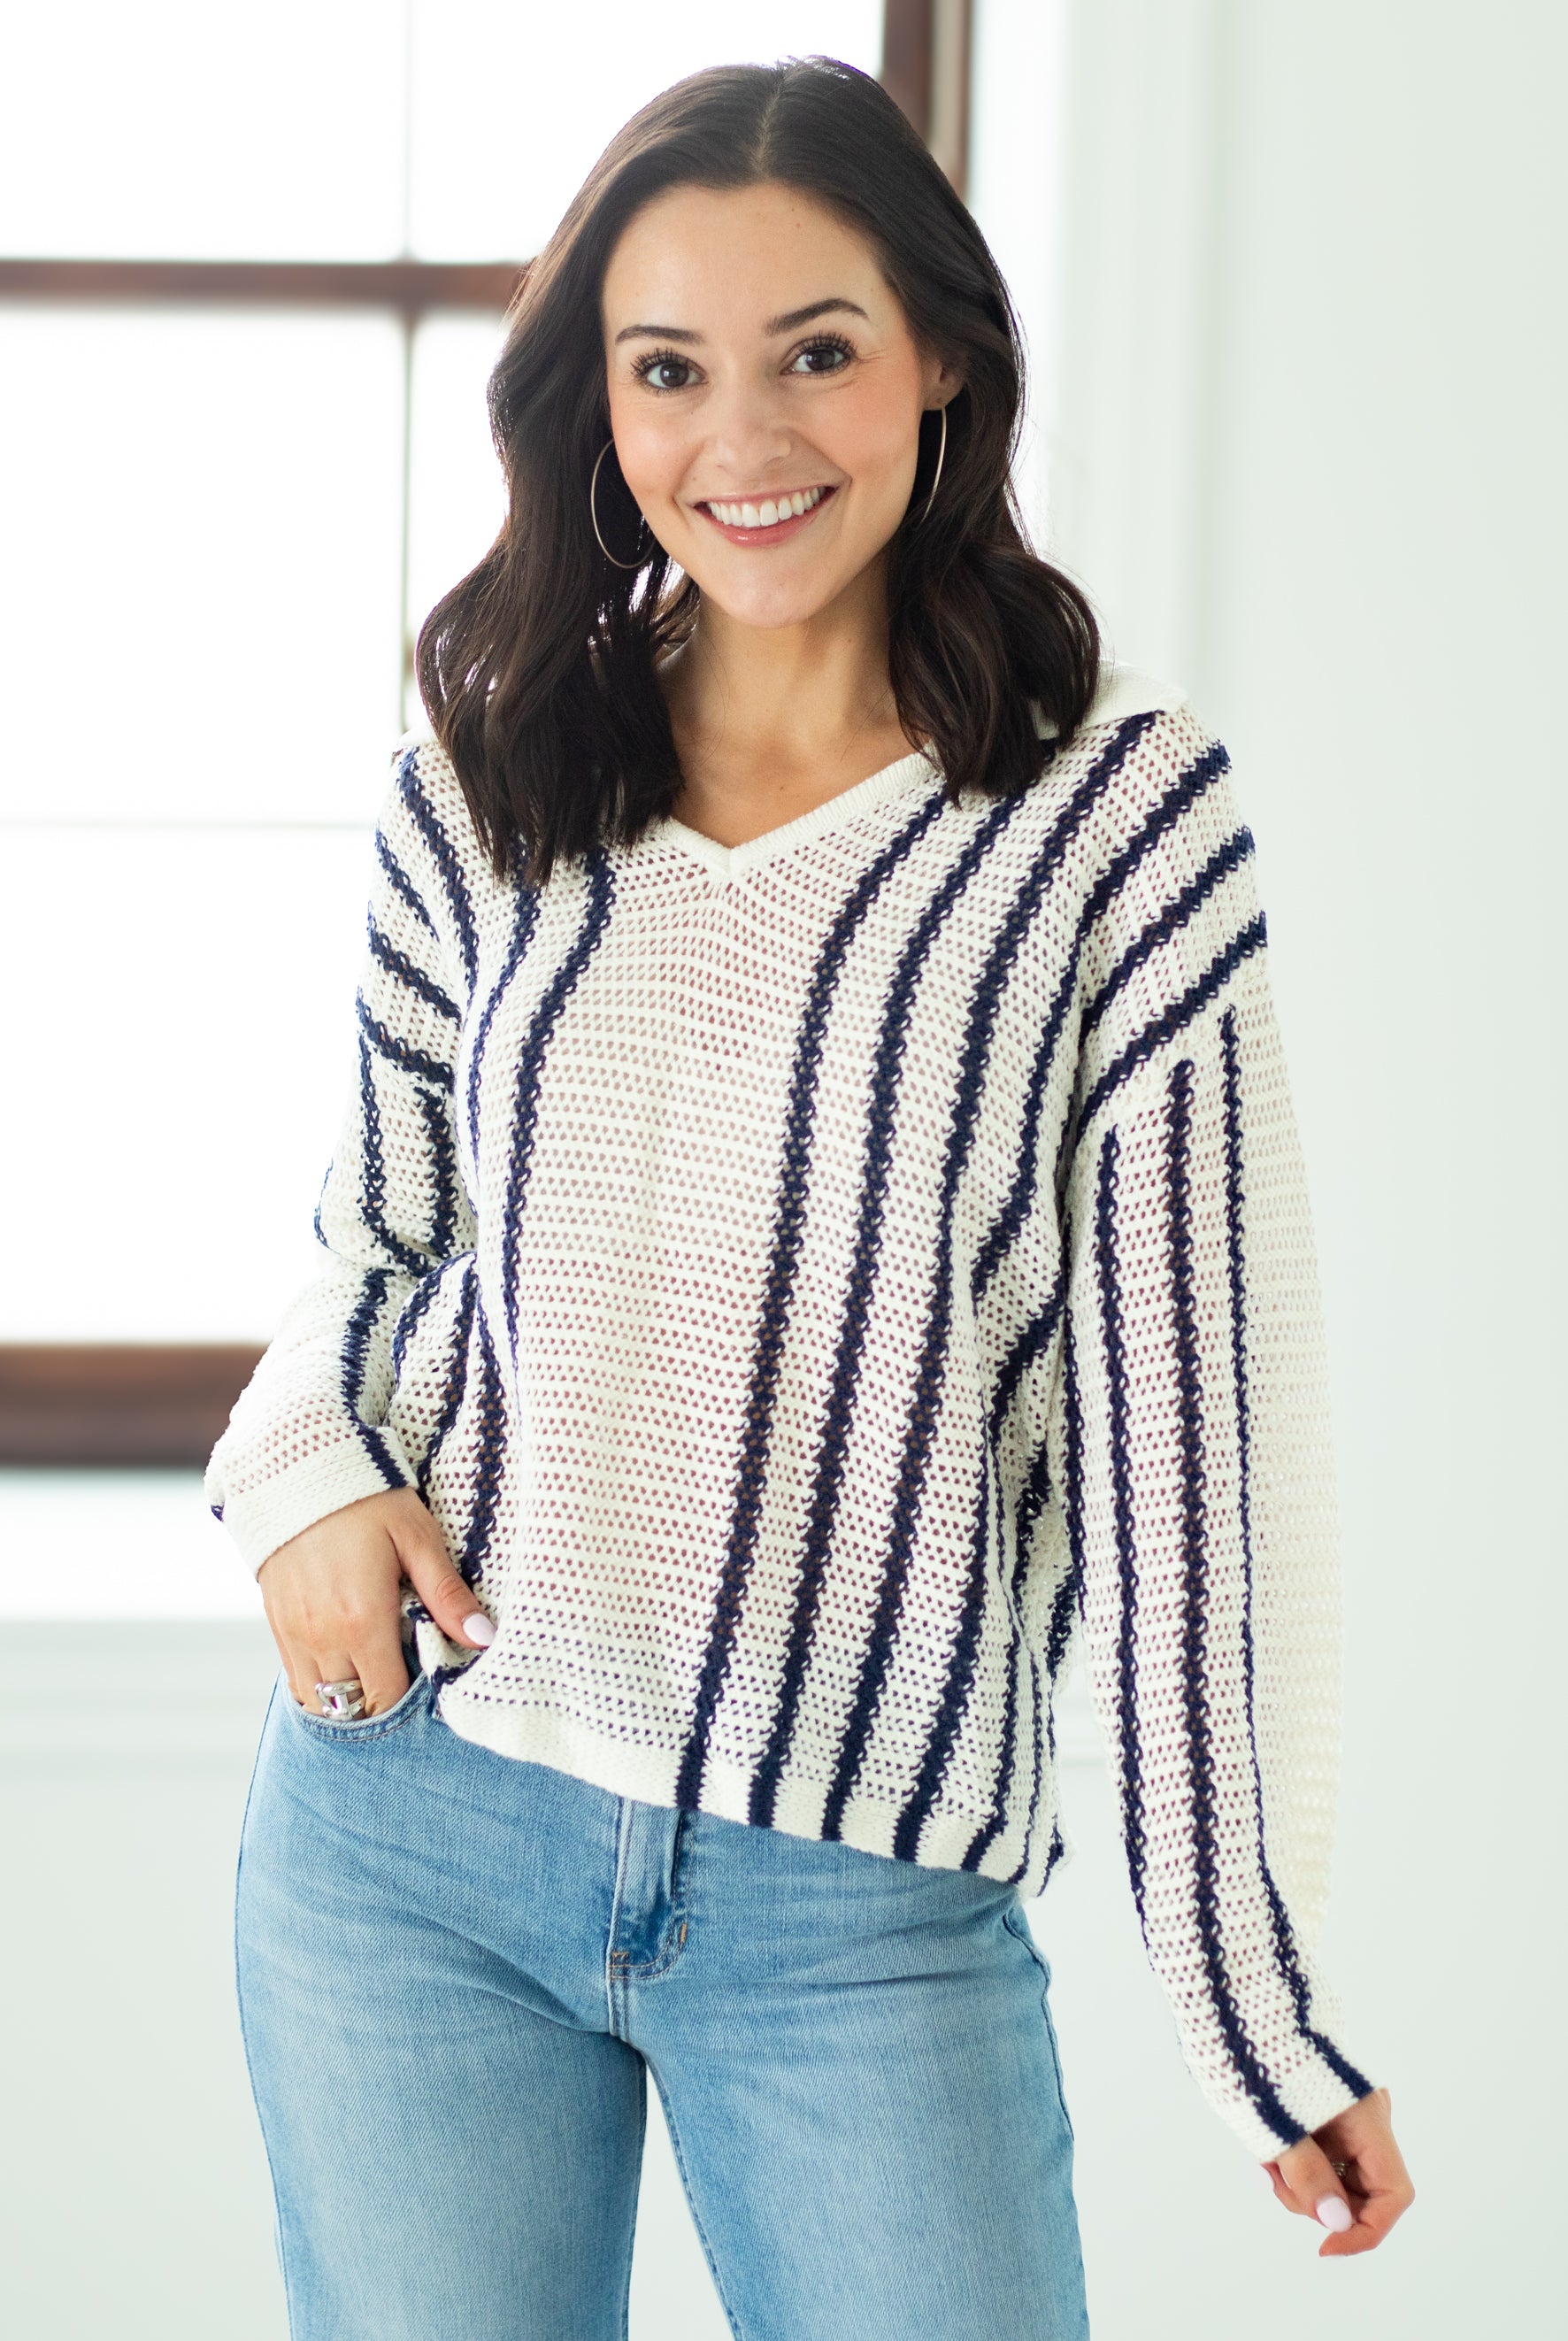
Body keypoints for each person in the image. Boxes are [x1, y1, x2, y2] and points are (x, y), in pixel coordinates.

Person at [207, 56, 1413, 2341]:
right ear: (599, 404)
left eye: (816, 353)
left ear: (941, 356)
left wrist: (1244, 1987)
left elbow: (1192, 1445)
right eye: (668, 371)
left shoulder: (1116, 828)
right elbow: (377, 1251)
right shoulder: (491, 762)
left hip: (852, 1899)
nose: (740, 444)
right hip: (408, 1839)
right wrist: (289, 1475)